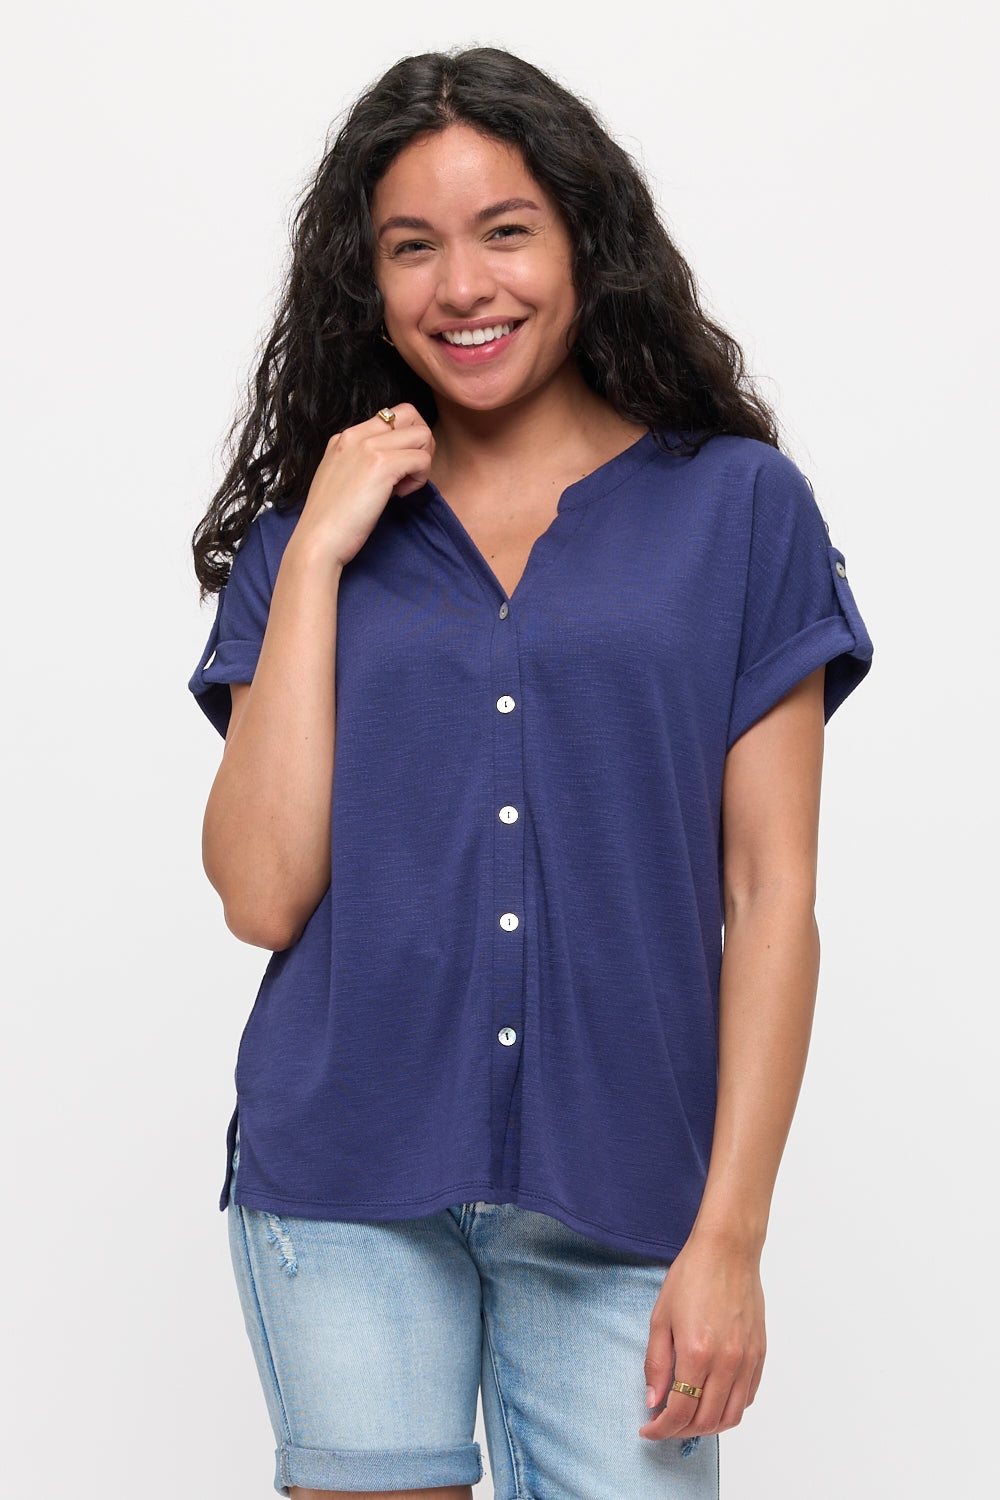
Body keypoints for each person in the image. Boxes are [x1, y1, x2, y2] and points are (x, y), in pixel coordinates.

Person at [189, 46, 873, 1500]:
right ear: (366, 282)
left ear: (582, 240)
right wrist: (317, 550)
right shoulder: (306, 546)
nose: (463, 286)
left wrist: (732, 1233)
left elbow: (773, 891)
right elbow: (261, 894)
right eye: (411, 247)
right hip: (345, 1185)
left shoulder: (740, 509)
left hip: (628, 1199)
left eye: (505, 230)